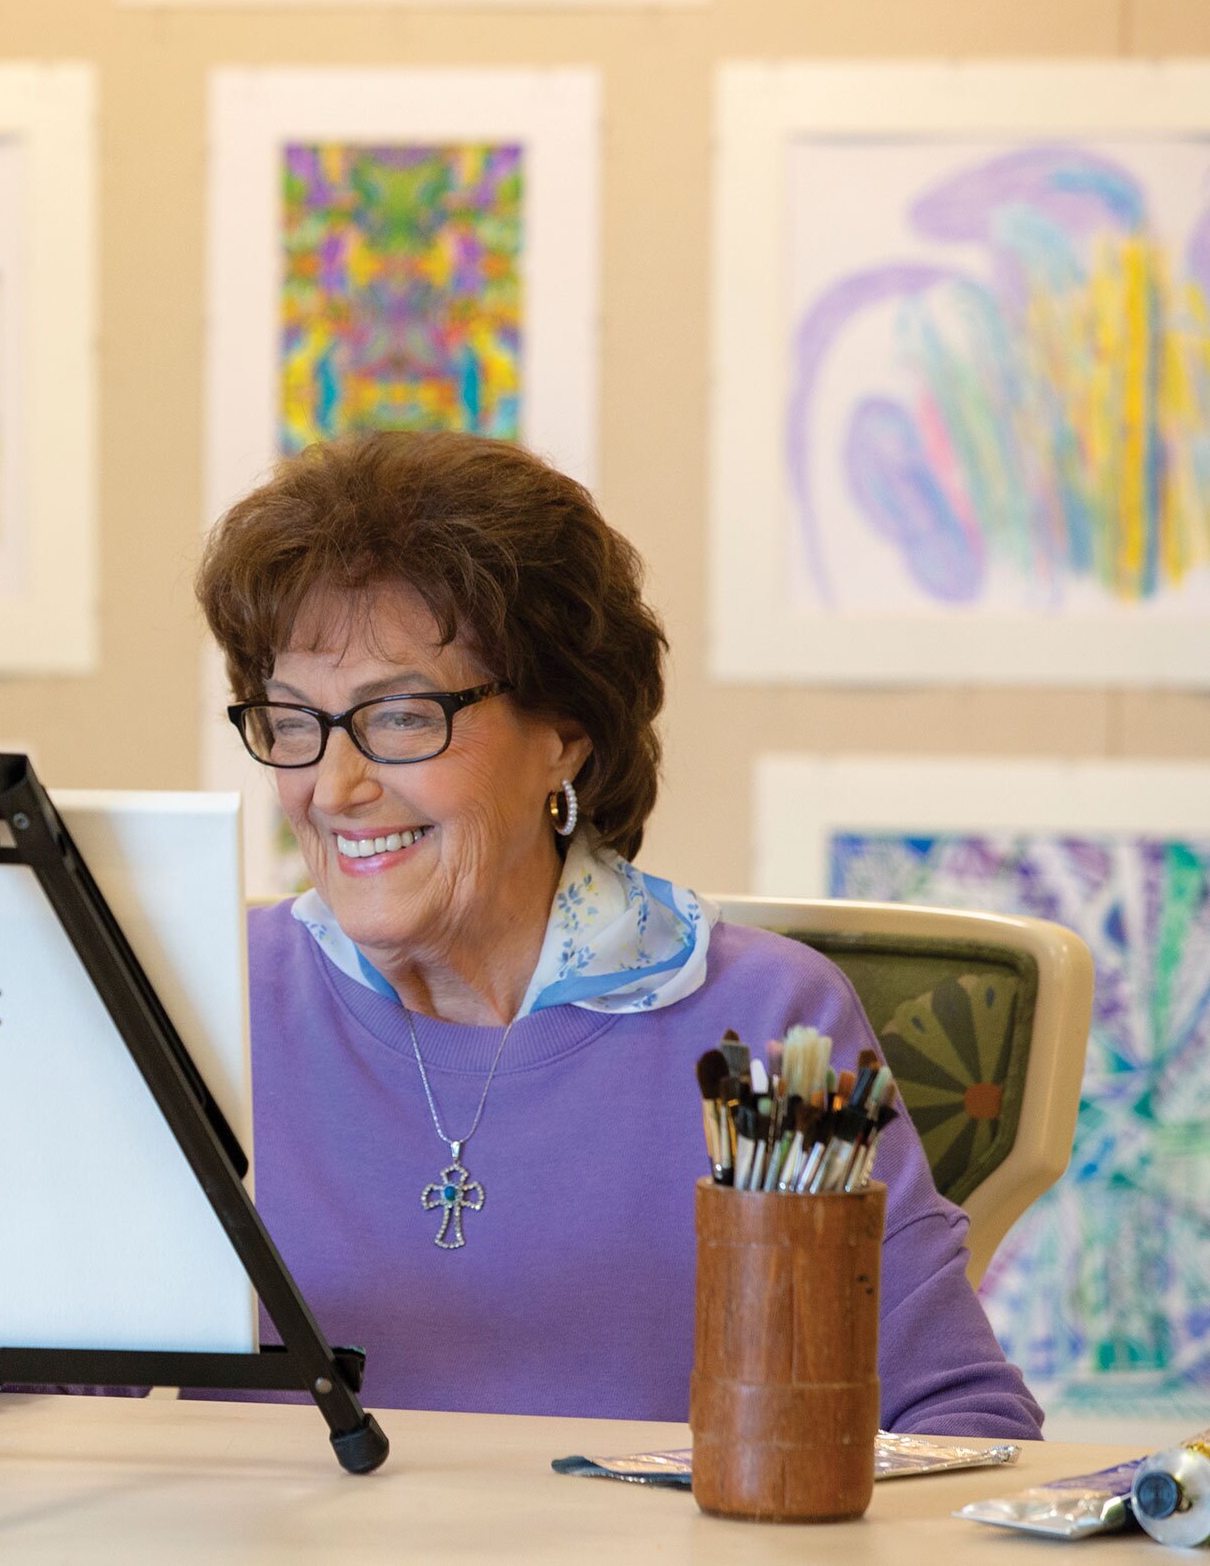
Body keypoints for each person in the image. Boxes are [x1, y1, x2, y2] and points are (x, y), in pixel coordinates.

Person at [195, 431, 1042, 1436]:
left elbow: (958, 1419)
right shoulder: (198, 1004)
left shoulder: (766, 1025)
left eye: (403, 717)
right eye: (294, 721)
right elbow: (42, 1389)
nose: (334, 787)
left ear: (563, 736)